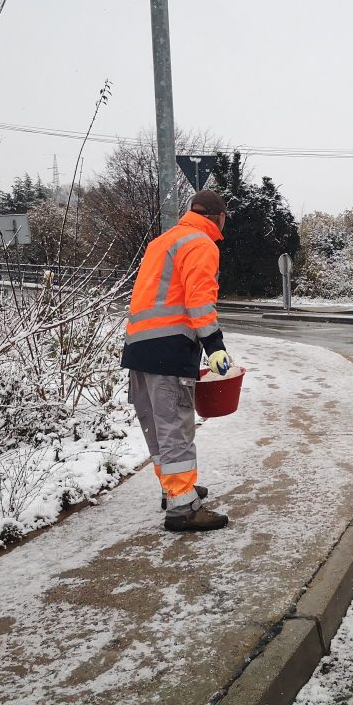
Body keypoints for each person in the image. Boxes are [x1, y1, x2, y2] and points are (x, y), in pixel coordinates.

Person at [121, 190, 233, 532]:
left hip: (138, 346)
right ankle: (182, 507)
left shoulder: (162, 242)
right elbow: (199, 301)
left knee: (157, 425)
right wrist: (213, 345)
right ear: (218, 217)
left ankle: (175, 489)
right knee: (174, 425)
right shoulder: (200, 243)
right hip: (169, 347)